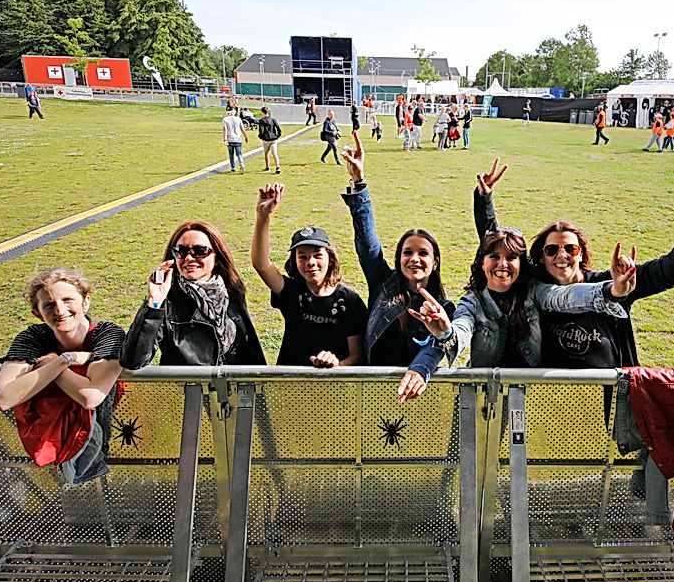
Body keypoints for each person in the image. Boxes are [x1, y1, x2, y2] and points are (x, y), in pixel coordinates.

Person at [476, 160, 674, 370]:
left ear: (582, 253)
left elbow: (672, 268)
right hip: (552, 398)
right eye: (551, 249)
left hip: (611, 399)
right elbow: (500, 254)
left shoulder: (615, 283)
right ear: (541, 257)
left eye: (570, 248)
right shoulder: (535, 287)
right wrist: (484, 199)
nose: (561, 256)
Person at [410, 227, 638, 369]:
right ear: (482, 263)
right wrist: (446, 332)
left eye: (511, 257)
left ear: (521, 264)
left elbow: (565, 296)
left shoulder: (533, 292)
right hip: (483, 393)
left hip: (529, 393)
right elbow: (462, 329)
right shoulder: (473, 301)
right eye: (494, 256)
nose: (502, 264)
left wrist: (611, 291)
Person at [339, 132, 456, 401]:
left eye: (423, 253)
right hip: (373, 392)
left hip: (418, 396)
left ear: (435, 262)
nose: (414, 258)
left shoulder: (444, 309)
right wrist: (359, 183)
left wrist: (420, 370)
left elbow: (439, 346)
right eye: (407, 252)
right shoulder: (383, 282)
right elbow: (367, 244)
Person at [0, 268, 125, 486]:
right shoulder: (32, 338)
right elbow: (5, 398)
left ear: (85, 302)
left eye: (67, 300)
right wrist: (63, 361)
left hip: (108, 444)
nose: (60, 310)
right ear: (37, 313)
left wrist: (49, 367)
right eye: (49, 305)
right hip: (50, 448)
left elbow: (91, 396)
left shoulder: (108, 334)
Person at [121, 221, 267, 368]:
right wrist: (153, 301)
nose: (189, 258)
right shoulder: (166, 302)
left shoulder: (232, 293)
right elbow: (133, 361)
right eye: (181, 251)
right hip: (191, 383)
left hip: (237, 382)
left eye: (200, 251)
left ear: (217, 258)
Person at [252, 184, 367, 367]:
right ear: (294, 261)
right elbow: (261, 264)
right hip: (290, 380)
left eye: (317, 255)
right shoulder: (291, 292)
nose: (310, 262)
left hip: (332, 382)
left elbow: (357, 355)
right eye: (302, 256)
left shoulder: (350, 301)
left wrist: (336, 366)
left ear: (330, 259)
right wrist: (263, 217)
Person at [256, 106, 282, 174]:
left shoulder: (262, 121)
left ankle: (267, 167)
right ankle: (277, 167)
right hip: (274, 138)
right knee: (275, 153)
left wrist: (261, 137)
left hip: (266, 139)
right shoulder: (273, 120)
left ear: (262, 112)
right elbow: (278, 128)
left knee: (266, 152)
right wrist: (278, 136)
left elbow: (261, 131)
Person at [222, 106, 247, 173]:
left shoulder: (225, 120)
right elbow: (242, 128)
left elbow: (225, 130)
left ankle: (233, 168)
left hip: (230, 139)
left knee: (231, 154)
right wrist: (246, 136)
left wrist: (225, 139)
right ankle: (241, 164)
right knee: (239, 154)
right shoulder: (238, 119)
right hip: (238, 139)